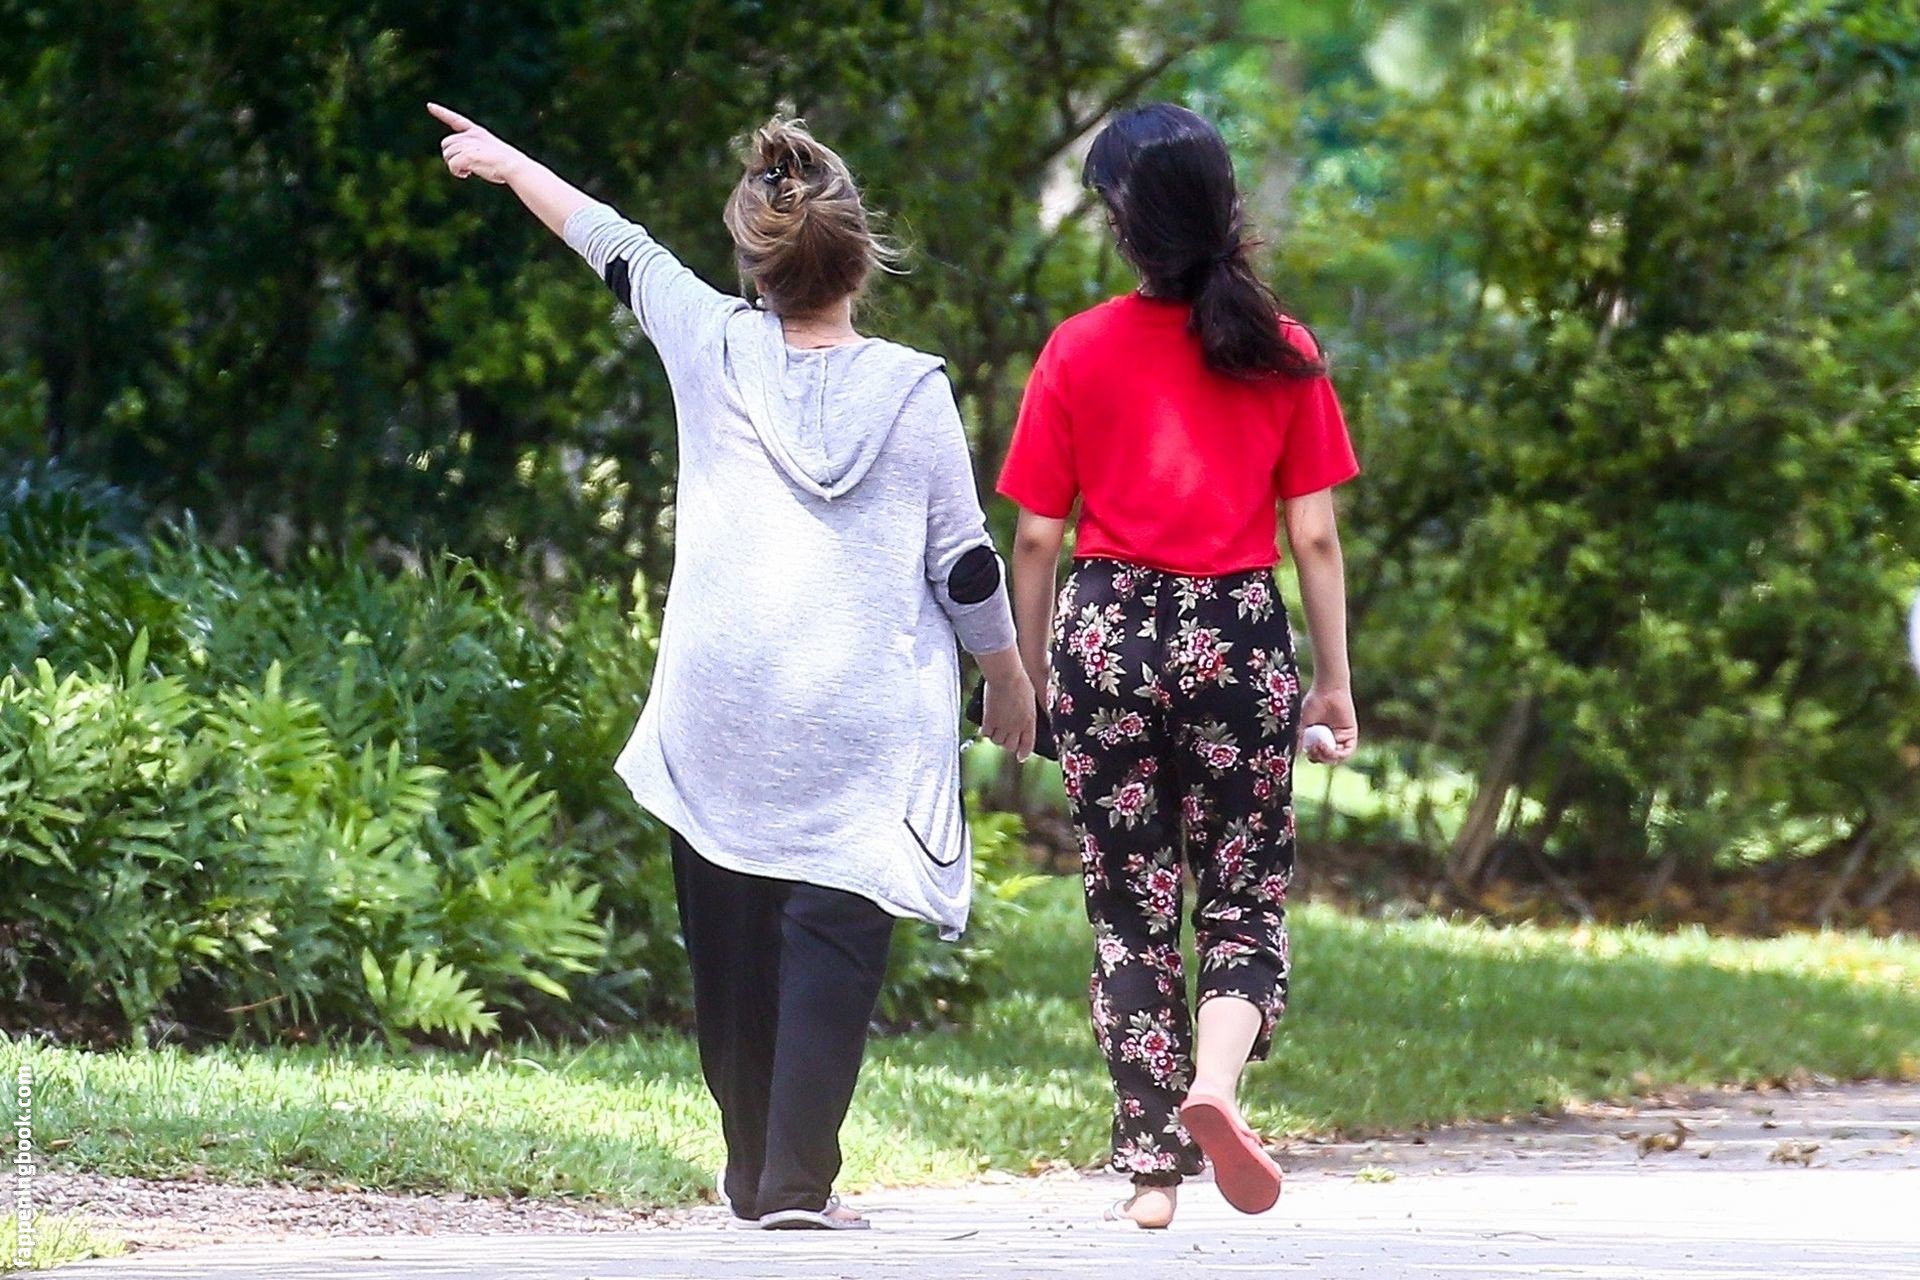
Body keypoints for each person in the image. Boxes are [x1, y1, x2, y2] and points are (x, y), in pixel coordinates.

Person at [430, 103, 1036, 1230]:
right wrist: (1005, 674)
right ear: (860, 259)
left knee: (731, 940)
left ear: (756, 259)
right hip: (858, 722)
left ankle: (757, 1170)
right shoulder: (911, 388)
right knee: (833, 937)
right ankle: (794, 1180)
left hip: (723, 706)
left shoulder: (708, 339)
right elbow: (964, 564)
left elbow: (612, 242)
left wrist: (511, 164)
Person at [998, 102, 1361, 1230]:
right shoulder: (1282, 348)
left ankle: (1153, 1170)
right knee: (1242, 893)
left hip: (1105, 634)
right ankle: (1216, 1081)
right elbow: (1313, 537)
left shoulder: (1077, 347)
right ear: (1224, 208)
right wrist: (1334, 679)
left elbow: (1036, 538)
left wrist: (1025, 672)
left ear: (1122, 222)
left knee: (1129, 905)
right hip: (1235, 639)